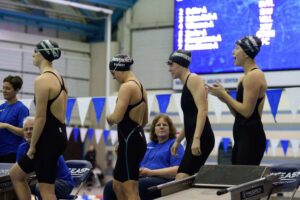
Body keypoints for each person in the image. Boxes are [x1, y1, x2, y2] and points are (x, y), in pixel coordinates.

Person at [10, 39, 68, 200]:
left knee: (47, 191)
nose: (33, 55)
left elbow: (41, 117)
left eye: (35, 52)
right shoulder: (58, 77)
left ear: (43, 54)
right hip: (58, 134)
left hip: (48, 137)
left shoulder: (43, 80)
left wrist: (33, 146)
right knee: (16, 174)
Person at [208, 35, 267, 165]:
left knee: (244, 180)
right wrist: (224, 99)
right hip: (241, 134)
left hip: (251, 136)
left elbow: (247, 112)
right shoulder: (243, 77)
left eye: (237, 48)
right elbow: (238, 114)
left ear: (246, 53)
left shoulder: (255, 75)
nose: (233, 52)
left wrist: (225, 95)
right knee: (237, 177)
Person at [104, 114, 185, 200]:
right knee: (110, 186)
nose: (161, 127)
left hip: (162, 181)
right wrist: (122, 154)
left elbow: (177, 170)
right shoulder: (148, 146)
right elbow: (134, 164)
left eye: (165, 125)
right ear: (154, 129)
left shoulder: (175, 145)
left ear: (170, 129)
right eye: (158, 125)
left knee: (138, 186)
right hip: (142, 178)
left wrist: (151, 172)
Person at [167, 50, 215, 180]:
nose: (169, 69)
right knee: (188, 179)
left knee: (181, 177)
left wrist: (197, 138)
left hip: (202, 137)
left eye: (171, 64)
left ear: (181, 63)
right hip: (194, 137)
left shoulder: (193, 79)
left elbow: (203, 110)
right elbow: (190, 120)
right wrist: (178, 140)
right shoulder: (187, 84)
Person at [106, 54, 148, 200]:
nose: (113, 77)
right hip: (132, 139)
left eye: (113, 73)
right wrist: (124, 140)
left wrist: (108, 117)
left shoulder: (127, 87)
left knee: (131, 190)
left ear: (118, 69)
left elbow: (116, 117)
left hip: (131, 142)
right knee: (117, 185)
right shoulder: (141, 87)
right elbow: (144, 121)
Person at [16, 116, 74, 199]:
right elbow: (20, 171)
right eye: (26, 129)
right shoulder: (21, 148)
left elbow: (48, 171)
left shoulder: (48, 146)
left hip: (63, 183)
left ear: (38, 130)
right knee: (16, 185)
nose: (28, 132)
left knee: (40, 187)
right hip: (39, 180)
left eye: (32, 129)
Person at [0, 75, 29, 163]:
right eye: (3, 88)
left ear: (16, 90)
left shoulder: (21, 109)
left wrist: (6, 126)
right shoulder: (2, 107)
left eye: (8, 88)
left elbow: (25, 132)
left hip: (13, 153)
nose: (4, 91)